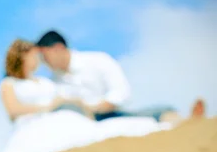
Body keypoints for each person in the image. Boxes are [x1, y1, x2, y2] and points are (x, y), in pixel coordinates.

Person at [0, 39, 171, 152]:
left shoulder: (45, 82)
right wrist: (48, 108)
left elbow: (65, 95)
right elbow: (13, 110)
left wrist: (76, 104)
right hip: (33, 126)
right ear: (22, 57)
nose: (39, 61)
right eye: (34, 56)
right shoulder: (9, 83)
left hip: (58, 118)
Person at [35, 30, 205, 124]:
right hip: (79, 125)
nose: (43, 61)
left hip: (110, 115)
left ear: (58, 48)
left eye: (44, 55)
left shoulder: (97, 60)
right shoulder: (53, 82)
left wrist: (95, 108)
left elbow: (121, 92)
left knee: (156, 115)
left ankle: (189, 123)